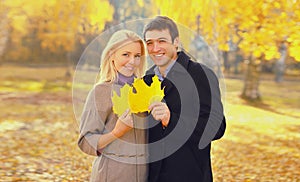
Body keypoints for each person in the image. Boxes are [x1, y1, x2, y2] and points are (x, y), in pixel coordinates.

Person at [143, 16, 226, 182]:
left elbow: (217, 128)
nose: (155, 48)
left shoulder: (202, 75)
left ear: (176, 42)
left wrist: (171, 119)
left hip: (190, 175)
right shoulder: (147, 79)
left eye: (162, 41)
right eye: (150, 43)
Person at [78, 30, 148, 182]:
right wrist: (116, 132)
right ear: (112, 55)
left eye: (137, 56)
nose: (132, 61)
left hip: (144, 175)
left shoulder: (145, 90)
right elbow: (85, 141)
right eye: (125, 54)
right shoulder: (101, 92)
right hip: (112, 175)